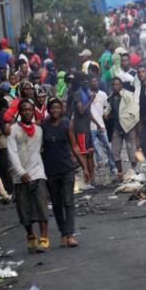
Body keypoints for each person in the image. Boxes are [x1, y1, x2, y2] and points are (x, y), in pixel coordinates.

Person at [41, 98, 89, 248]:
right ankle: (63, 233)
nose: (55, 110)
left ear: (61, 109)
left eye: (58, 108)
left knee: (68, 202)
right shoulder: (43, 126)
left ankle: (70, 234)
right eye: (52, 108)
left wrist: (85, 167)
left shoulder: (67, 124)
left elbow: (74, 147)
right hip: (50, 170)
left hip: (67, 168)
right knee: (56, 203)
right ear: (48, 110)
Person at [6, 100, 51, 253]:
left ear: (33, 111)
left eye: (30, 109)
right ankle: (30, 234)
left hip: (37, 172)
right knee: (24, 210)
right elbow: (12, 152)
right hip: (20, 176)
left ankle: (44, 237)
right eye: (24, 109)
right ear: (20, 111)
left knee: (41, 206)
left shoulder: (39, 130)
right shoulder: (12, 130)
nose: (27, 112)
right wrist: (20, 172)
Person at [105, 77, 139, 179]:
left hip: (128, 126)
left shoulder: (127, 95)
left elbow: (135, 110)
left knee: (131, 149)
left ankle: (133, 170)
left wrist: (132, 122)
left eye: (117, 84)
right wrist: (106, 114)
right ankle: (120, 172)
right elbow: (110, 109)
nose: (115, 86)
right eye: (114, 84)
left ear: (121, 85)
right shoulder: (111, 97)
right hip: (116, 127)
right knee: (115, 150)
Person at [88, 76, 117, 175]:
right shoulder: (87, 94)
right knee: (92, 148)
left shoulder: (103, 94)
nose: (95, 83)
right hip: (90, 127)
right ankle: (96, 167)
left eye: (96, 81)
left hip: (101, 125)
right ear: (89, 83)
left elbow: (107, 107)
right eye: (92, 81)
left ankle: (113, 167)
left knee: (107, 147)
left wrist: (107, 115)